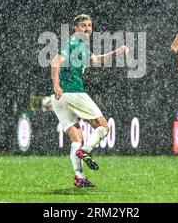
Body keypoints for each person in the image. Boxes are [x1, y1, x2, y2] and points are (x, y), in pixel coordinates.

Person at [50, 14, 128, 188]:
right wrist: (57, 85)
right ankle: (85, 151)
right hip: (72, 92)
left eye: (90, 26)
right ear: (76, 28)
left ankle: (79, 177)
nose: (87, 29)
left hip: (59, 99)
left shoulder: (81, 47)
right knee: (103, 127)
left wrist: (117, 52)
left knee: (76, 139)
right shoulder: (72, 44)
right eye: (83, 26)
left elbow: (96, 60)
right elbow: (56, 62)